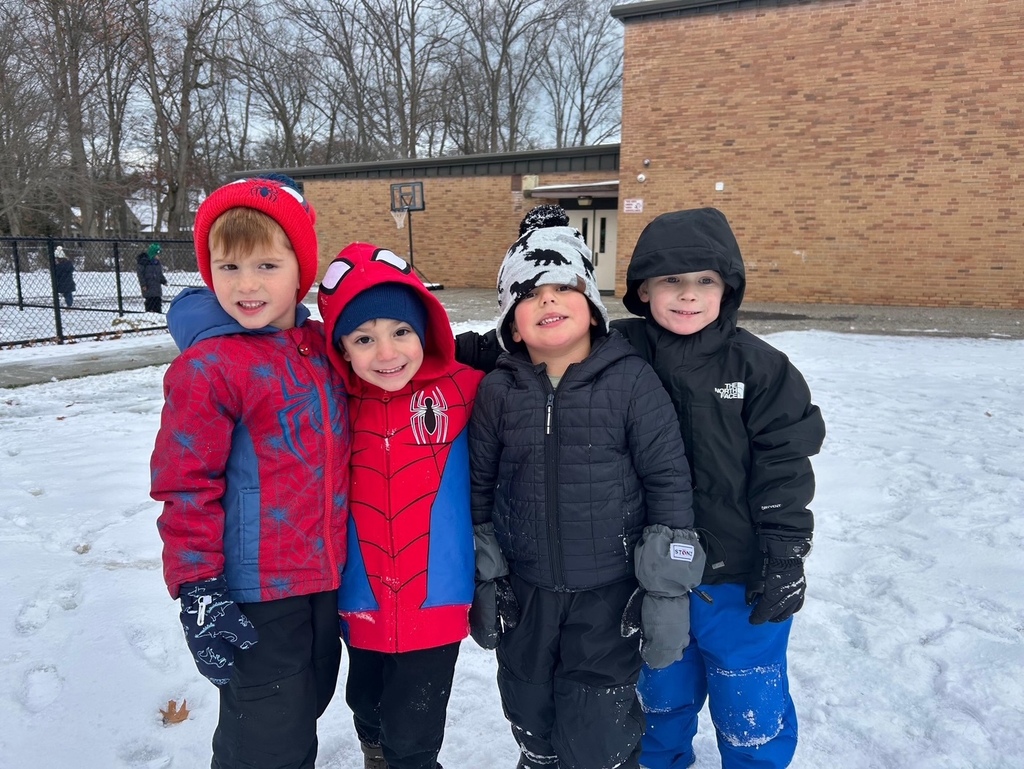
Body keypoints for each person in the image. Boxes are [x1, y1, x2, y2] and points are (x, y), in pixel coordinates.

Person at [467, 218, 706, 769]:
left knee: (597, 724)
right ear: (512, 324)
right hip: (526, 593)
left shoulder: (631, 381)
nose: (547, 299)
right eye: (528, 293)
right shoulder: (499, 390)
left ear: (592, 307)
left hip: (607, 592)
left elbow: (668, 484)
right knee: (528, 706)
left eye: (563, 287)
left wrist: (667, 592)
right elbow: (479, 485)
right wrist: (486, 574)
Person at [150, 176, 350, 769]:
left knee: (306, 707)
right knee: (266, 740)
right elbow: (186, 486)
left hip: (325, 578)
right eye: (228, 266)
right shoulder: (210, 368)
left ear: (300, 270)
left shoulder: (323, 349)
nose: (246, 284)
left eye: (267, 264)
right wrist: (199, 589)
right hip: (255, 592)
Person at [615, 208, 826, 769]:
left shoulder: (760, 367)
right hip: (650, 579)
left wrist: (784, 555)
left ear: (727, 287)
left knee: (749, 709)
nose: (688, 296)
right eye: (671, 281)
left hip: (738, 580)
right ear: (643, 289)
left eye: (705, 281)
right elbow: (541, 346)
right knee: (658, 704)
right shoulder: (617, 352)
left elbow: (785, 465)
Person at [317, 242, 484, 769]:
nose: (386, 354)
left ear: (425, 332)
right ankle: (373, 748)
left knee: (415, 732)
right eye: (364, 339)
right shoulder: (328, 399)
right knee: (364, 701)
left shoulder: (467, 388)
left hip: (437, 594)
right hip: (359, 591)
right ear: (341, 348)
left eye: (401, 332)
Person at [137, 242, 167, 312]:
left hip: (156, 286)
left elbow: (159, 274)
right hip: (148, 286)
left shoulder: (157, 263)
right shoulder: (143, 262)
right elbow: (140, 274)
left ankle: (158, 313)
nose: (158, 256)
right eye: (157, 254)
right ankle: (149, 312)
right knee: (150, 302)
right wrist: (143, 284)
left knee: (158, 302)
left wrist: (163, 281)